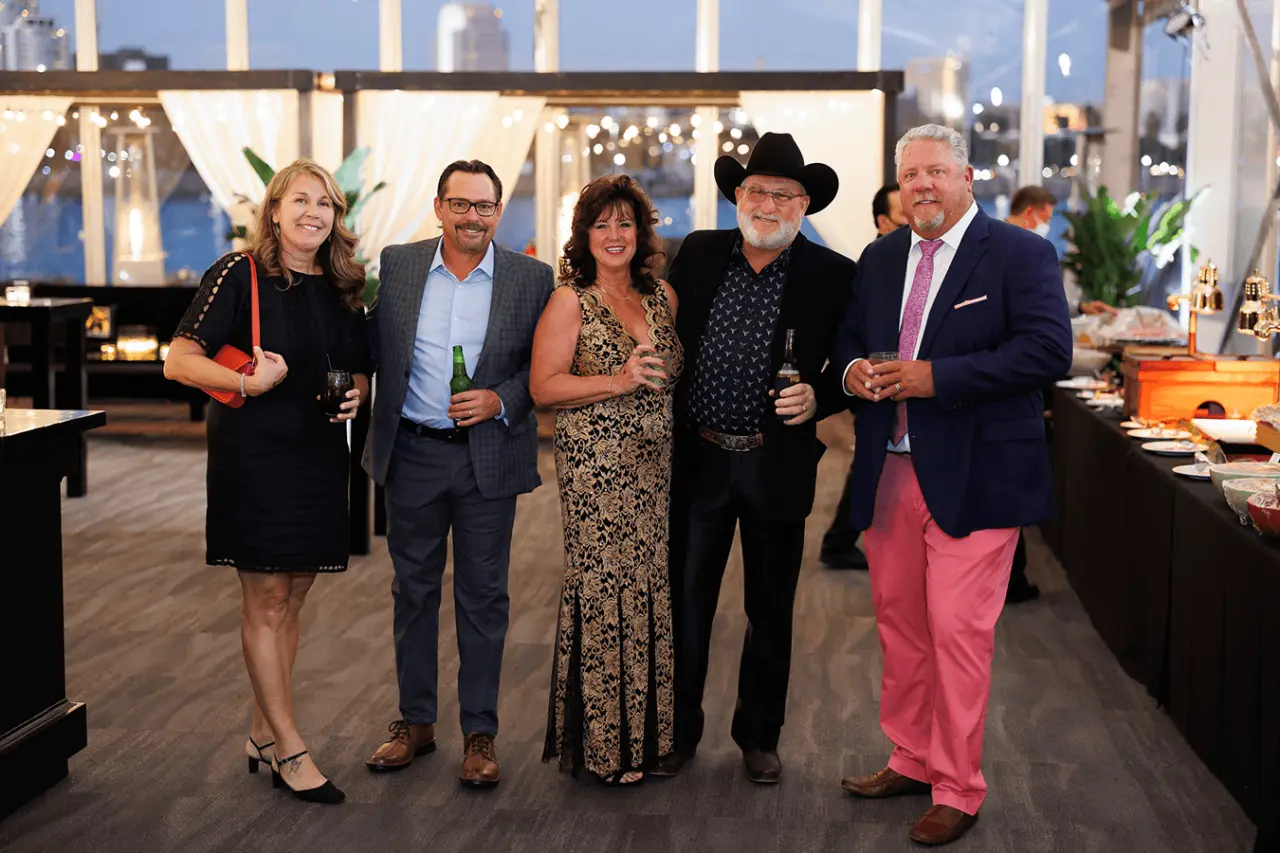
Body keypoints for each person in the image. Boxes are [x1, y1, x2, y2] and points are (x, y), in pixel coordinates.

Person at [835, 125, 1071, 845]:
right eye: (911, 175)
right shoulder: (878, 258)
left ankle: (959, 786)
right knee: (901, 629)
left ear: (968, 175)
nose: (923, 186)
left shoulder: (1021, 253)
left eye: (937, 171)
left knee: (958, 635)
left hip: (980, 475)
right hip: (891, 472)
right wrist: (851, 374)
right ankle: (910, 755)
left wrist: (935, 378)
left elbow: (1046, 350)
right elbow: (846, 341)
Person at [652, 132, 856, 784]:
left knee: (770, 610)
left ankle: (759, 735)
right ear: (737, 195)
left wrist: (819, 395)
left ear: (804, 205)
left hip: (777, 465)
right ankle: (679, 732)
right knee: (686, 605)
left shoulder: (834, 274)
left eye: (785, 195)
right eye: (758, 190)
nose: (769, 204)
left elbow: (849, 364)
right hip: (700, 462)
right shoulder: (699, 253)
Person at [165, 159, 371, 805]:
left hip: (316, 457)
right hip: (253, 460)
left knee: (295, 594)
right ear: (274, 211)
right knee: (267, 600)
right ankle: (289, 745)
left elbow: (359, 372)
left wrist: (354, 398)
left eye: (326, 203)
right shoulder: (239, 273)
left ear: (336, 217)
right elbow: (178, 360)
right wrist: (246, 383)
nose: (314, 212)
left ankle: (261, 727)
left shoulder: (342, 289)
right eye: (301, 200)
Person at [362, 160, 555, 788]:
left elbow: (545, 367)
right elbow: (369, 343)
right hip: (413, 453)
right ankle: (414, 722)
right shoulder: (400, 265)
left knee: (484, 596)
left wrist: (502, 399)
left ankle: (480, 732)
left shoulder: (532, 278)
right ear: (439, 207)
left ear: (498, 212)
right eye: (461, 204)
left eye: (486, 206)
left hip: (487, 457)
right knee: (411, 592)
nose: (474, 216)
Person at [530, 175, 682, 787]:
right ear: (584, 236)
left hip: (654, 471)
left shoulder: (663, 297)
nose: (615, 235)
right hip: (596, 471)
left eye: (626, 224)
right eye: (602, 225)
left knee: (648, 589)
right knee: (602, 595)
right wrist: (616, 381)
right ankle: (601, 746)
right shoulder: (572, 300)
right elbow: (544, 388)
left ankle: (647, 739)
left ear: (641, 233)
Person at [821, 183, 908, 571]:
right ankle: (839, 540)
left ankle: (841, 538)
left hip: (905, 392)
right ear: (883, 221)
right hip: (875, 386)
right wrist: (855, 367)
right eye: (904, 215)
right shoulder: (873, 263)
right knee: (869, 459)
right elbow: (847, 331)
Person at [1008, 185, 1115, 317]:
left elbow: (1042, 299)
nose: (1046, 227)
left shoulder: (1028, 250)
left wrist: (1081, 307)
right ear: (1029, 213)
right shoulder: (995, 246)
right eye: (1045, 220)